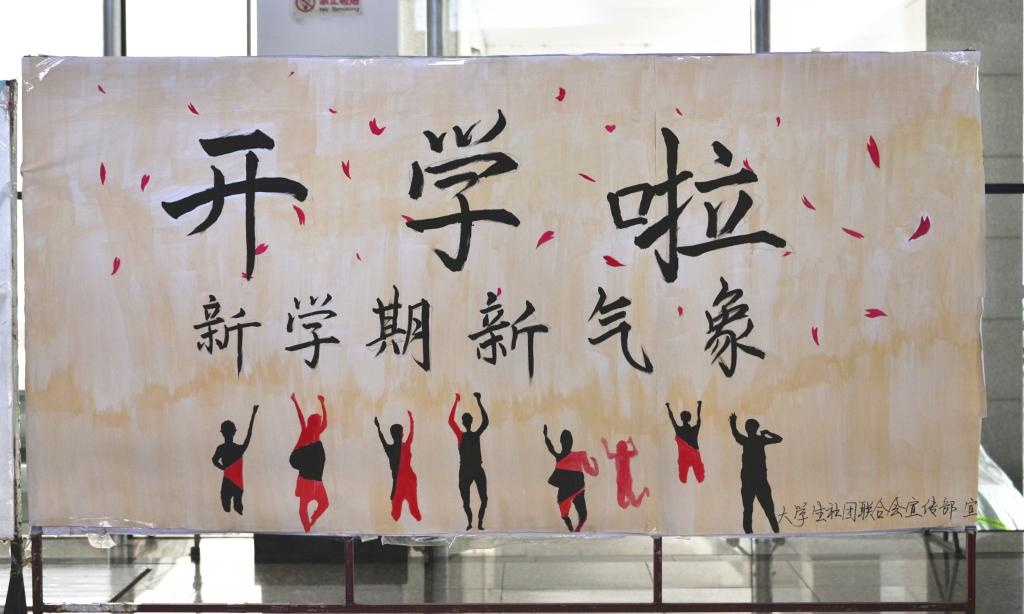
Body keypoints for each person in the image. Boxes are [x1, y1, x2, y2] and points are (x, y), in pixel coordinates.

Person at [729, 413, 782, 534]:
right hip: (759, 481)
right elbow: (778, 439)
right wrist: (768, 433)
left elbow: (736, 434)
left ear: (747, 429)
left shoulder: (747, 440)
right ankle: (776, 533)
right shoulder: (760, 440)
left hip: (750, 481)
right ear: (756, 428)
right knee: (768, 510)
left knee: (749, 511)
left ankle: (752, 535)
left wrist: (732, 423)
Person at [543, 425, 599, 532]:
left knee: (568, 515)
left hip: (571, 490)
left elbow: (551, 448)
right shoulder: (579, 456)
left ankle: (573, 529)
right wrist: (595, 463)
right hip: (574, 488)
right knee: (577, 515)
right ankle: (573, 529)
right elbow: (592, 472)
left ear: (561, 442)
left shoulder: (564, 456)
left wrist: (545, 436)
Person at [448, 392, 490, 530]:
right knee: (468, 501)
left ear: (466, 422)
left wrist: (457, 401)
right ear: (470, 422)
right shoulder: (466, 435)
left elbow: (451, 421)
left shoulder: (469, 435)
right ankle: (472, 522)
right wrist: (478, 401)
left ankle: (476, 522)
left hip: (473, 469)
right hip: (467, 470)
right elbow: (485, 421)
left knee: (480, 499)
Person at [289, 393, 329, 532]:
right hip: (306, 477)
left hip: (316, 478)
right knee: (303, 506)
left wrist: (323, 404)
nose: (319, 424)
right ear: (313, 423)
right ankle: (307, 529)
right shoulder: (306, 431)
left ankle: (312, 520)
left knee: (324, 503)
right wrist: (295, 401)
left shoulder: (318, 433)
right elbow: (301, 417)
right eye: (318, 422)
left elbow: (325, 423)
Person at [211, 405, 258, 514]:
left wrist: (222, 467)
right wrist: (253, 415)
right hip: (236, 483)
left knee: (228, 507)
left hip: (229, 482)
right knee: (236, 507)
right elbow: (249, 434)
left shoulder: (222, 448)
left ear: (222, 433)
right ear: (234, 432)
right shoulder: (238, 449)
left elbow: (214, 460)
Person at [375, 411, 422, 522]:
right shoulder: (404, 446)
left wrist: (378, 428)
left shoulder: (391, 449)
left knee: (401, 513)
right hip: (405, 482)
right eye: (402, 432)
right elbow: (411, 433)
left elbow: (382, 439)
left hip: (406, 482)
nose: (403, 434)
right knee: (407, 512)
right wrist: (411, 419)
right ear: (400, 434)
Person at [602, 436, 649, 509]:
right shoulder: (618, 455)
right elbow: (609, 456)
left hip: (626, 482)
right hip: (620, 482)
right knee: (623, 504)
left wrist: (631, 442)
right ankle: (637, 495)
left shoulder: (626, 454)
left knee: (635, 504)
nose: (619, 450)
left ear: (624, 449)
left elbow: (636, 452)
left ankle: (644, 491)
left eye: (621, 448)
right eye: (619, 448)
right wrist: (605, 444)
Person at [667, 400, 704, 483]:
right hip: (694, 456)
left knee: (682, 479)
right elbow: (699, 419)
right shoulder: (694, 429)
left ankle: (685, 480)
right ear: (689, 419)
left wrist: (668, 407)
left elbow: (672, 419)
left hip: (684, 458)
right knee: (700, 478)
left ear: (681, 419)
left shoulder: (679, 430)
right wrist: (699, 405)